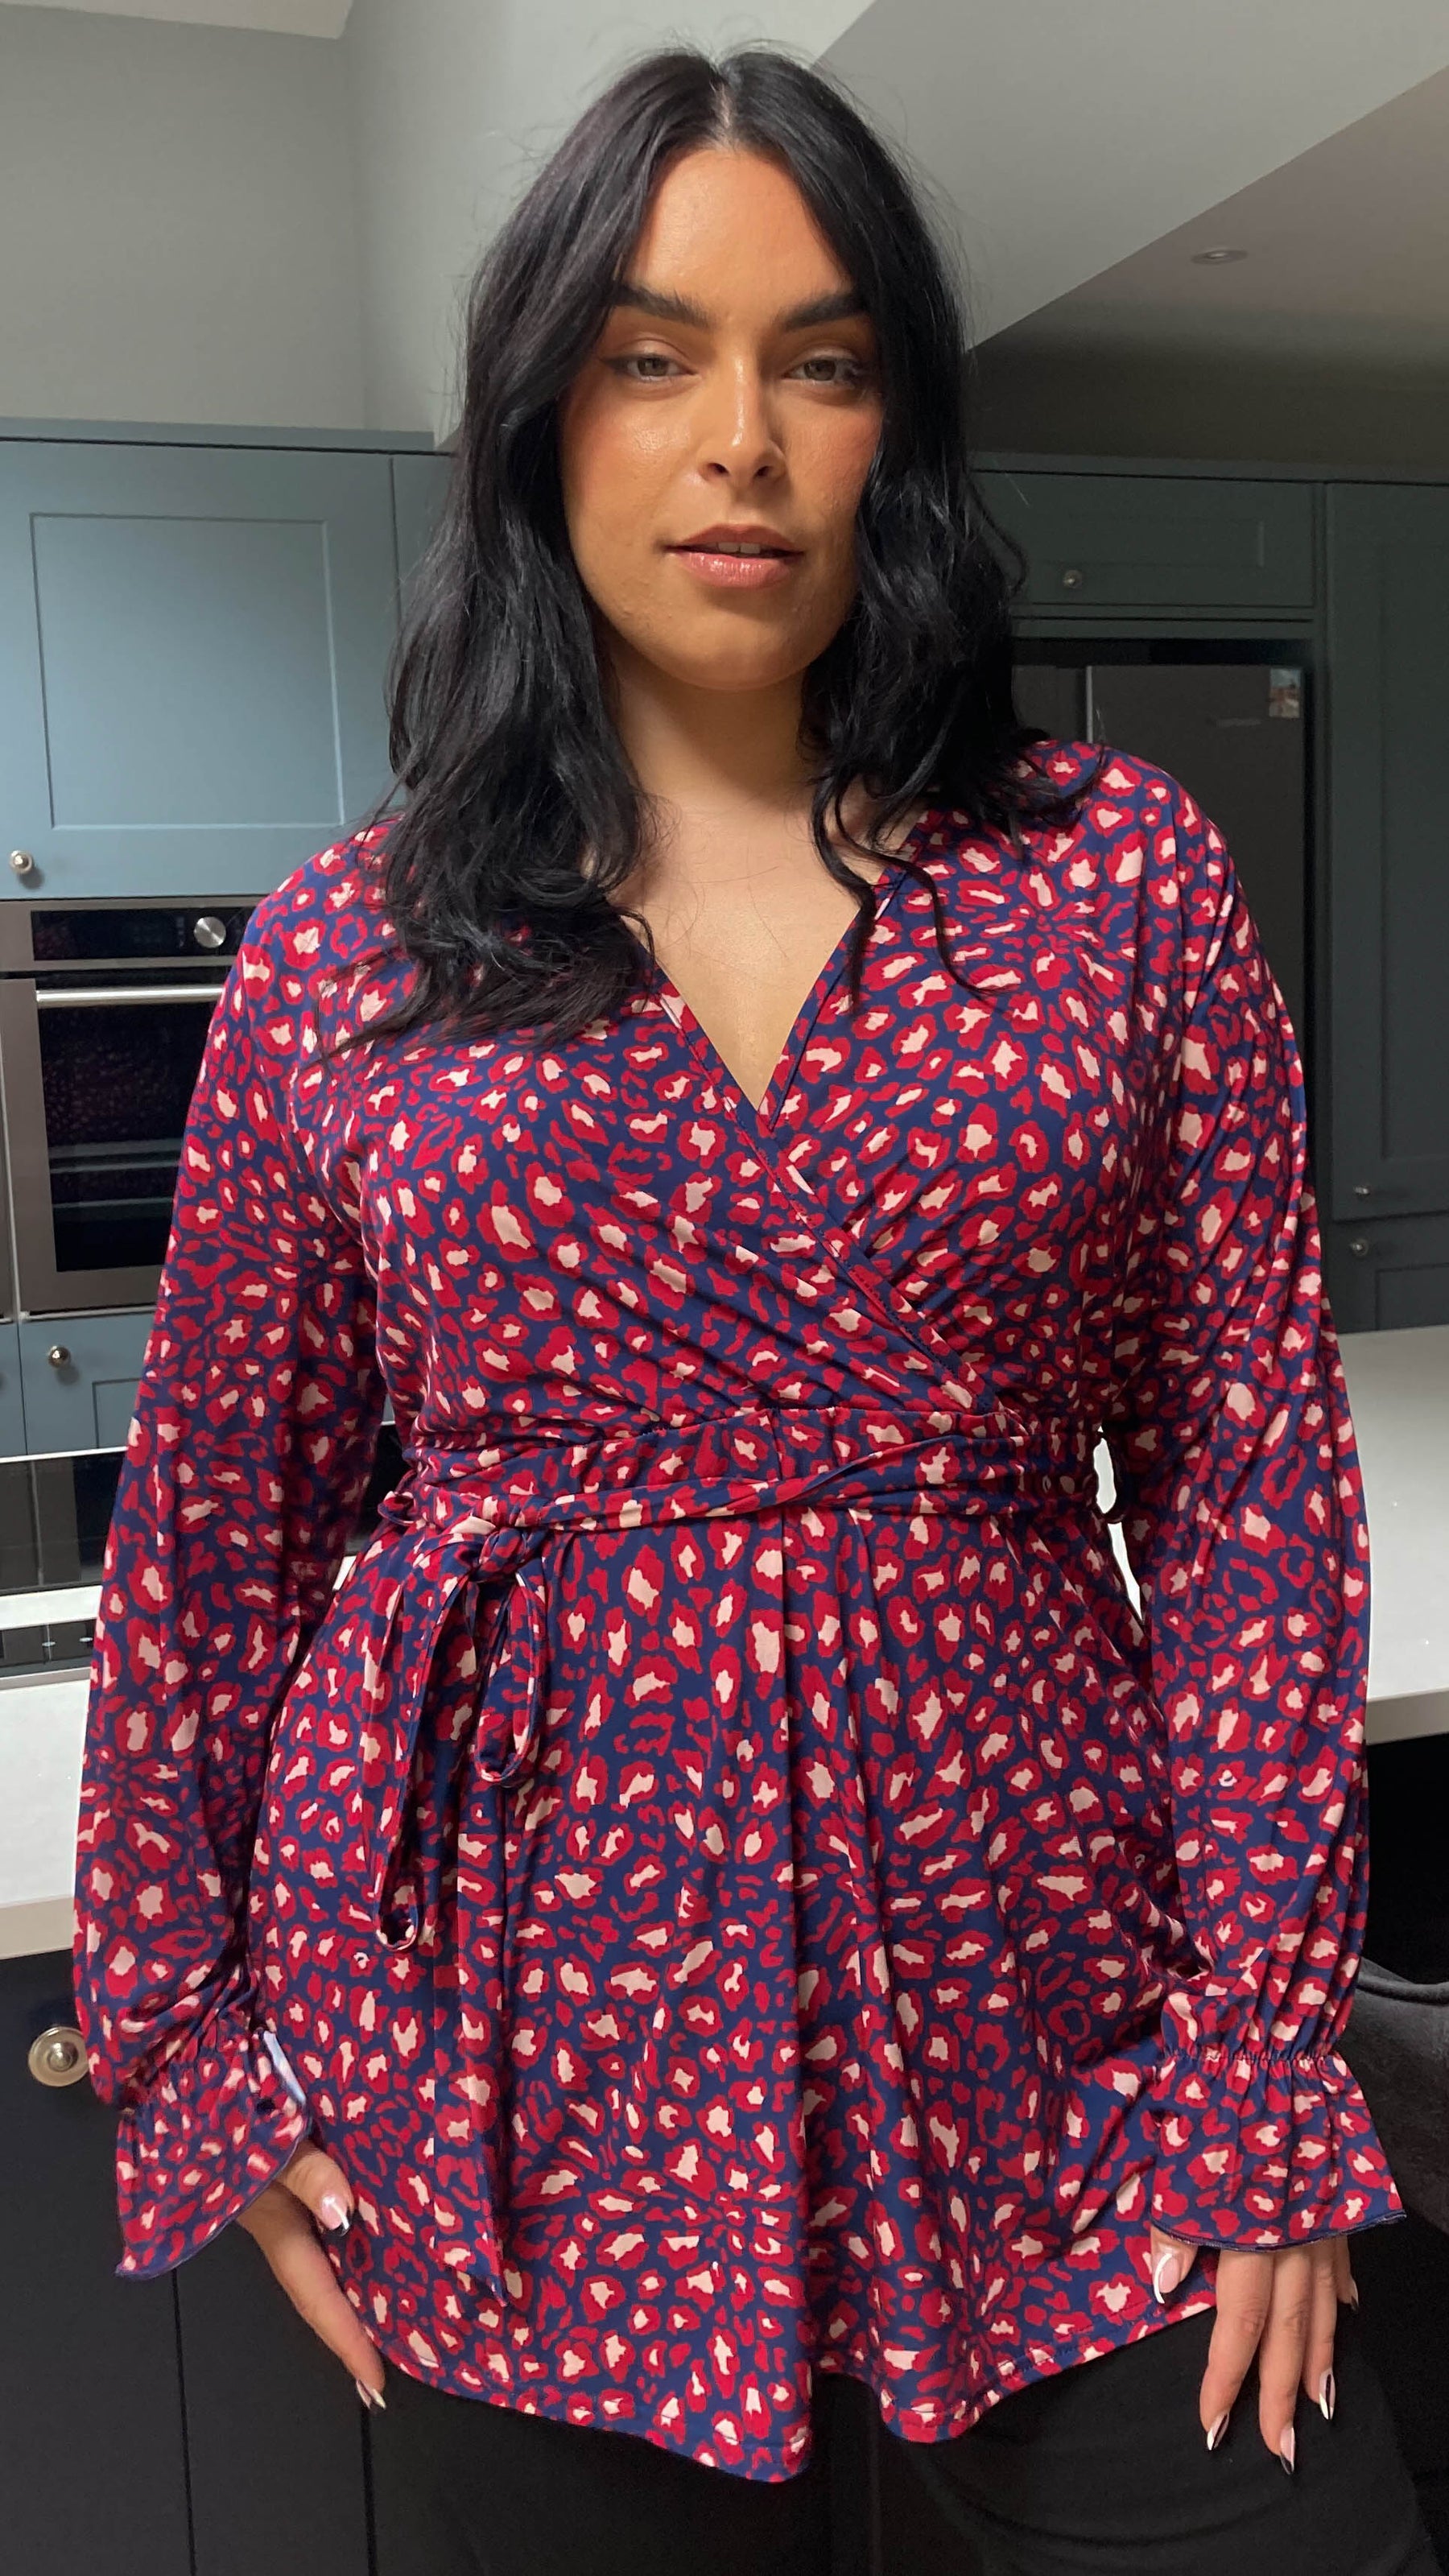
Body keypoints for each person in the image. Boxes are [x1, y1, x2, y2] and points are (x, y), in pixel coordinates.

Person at [72, 43, 1438, 2576]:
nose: (742, 443)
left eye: (822, 362)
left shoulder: (1114, 882)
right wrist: (193, 2054)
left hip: (1070, 2053)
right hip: (514, 2090)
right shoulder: (349, 952)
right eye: (650, 355)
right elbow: (214, 1546)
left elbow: (1253, 1486)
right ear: (539, 420)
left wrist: (1262, 2065)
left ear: (896, 428)